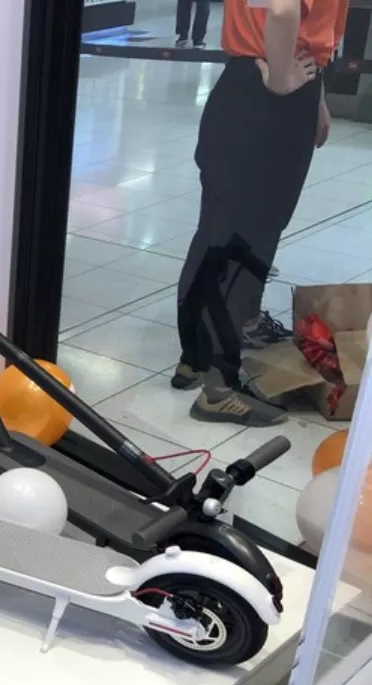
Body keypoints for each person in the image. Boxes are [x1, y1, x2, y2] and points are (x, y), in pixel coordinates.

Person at [172, 0, 349, 426]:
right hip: (270, 95)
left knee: (218, 232)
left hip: (249, 81)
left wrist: (314, 95)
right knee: (246, 243)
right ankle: (219, 389)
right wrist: (286, 80)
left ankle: (195, 358)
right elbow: (284, 10)